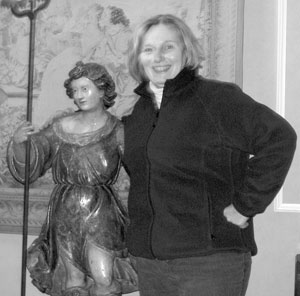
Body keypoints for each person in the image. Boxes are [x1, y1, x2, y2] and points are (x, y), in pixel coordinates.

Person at [121, 14, 297, 296]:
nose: (159, 58)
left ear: (185, 51)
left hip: (208, 263)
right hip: (151, 265)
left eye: (168, 47)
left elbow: (279, 137)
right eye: (148, 49)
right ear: (138, 58)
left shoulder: (218, 99)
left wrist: (244, 206)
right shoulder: (138, 114)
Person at [7, 61, 138, 296]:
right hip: (65, 209)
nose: (78, 96)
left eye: (85, 89)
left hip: (101, 210)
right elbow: (34, 158)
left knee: (103, 276)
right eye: (75, 90)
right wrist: (19, 144)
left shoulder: (117, 130)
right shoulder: (61, 127)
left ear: (102, 90)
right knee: (73, 279)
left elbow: (140, 170)